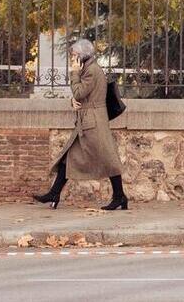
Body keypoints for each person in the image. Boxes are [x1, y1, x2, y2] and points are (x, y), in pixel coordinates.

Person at [33, 39, 128, 210]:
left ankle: (120, 196)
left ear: (82, 56)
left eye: (74, 55)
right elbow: (82, 96)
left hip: (93, 122)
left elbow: (79, 92)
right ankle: (54, 193)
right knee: (69, 157)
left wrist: (74, 74)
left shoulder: (91, 70)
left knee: (109, 159)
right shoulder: (90, 68)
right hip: (89, 120)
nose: (72, 59)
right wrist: (73, 100)